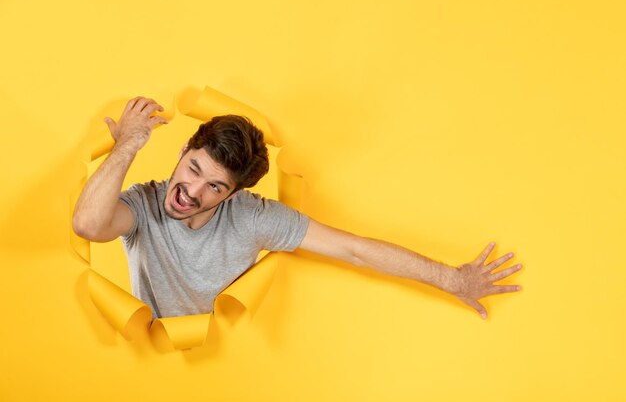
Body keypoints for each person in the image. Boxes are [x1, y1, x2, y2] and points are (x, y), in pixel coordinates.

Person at [72, 96, 523, 320]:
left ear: (231, 194)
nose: (191, 191)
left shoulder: (253, 216)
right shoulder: (145, 204)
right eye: (192, 169)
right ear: (185, 149)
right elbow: (88, 224)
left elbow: (355, 250)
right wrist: (128, 143)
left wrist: (453, 279)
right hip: (149, 368)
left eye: (214, 187)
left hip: (230, 367)